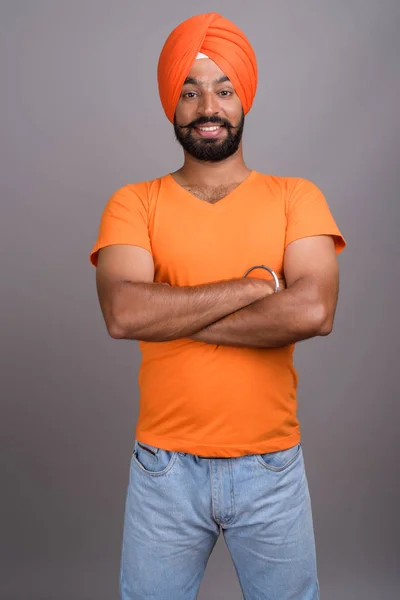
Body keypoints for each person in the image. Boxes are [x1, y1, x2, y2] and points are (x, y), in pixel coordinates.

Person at [89, 12, 346, 600]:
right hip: (164, 471)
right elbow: (124, 314)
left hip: (272, 468)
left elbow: (313, 313)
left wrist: (172, 315)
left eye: (224, 89)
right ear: (171, 105)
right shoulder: (135, 203)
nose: (209, 105)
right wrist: (256, 287)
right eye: (190, 90)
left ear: (244, 99)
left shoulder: (295, 197)